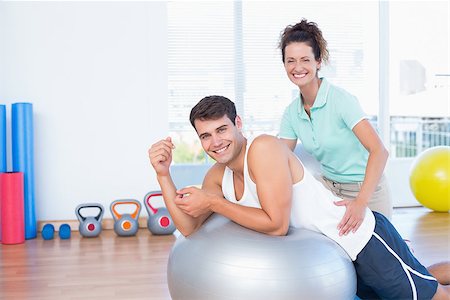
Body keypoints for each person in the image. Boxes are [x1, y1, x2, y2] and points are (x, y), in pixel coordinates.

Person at [149, 95, 449, 300]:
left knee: (431, 295)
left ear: (238, 124)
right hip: (328, 259)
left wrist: (213, 202)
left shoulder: (263, 149)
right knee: (416, 277)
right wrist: (163, 174)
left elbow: (277, 225)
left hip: (359, 241)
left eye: (222, 129)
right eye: (205, 136)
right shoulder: (217, 175)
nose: (215, 142)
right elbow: (188, 228)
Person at [278, 19, 393, 236]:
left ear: (318, 62)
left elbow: (380, 151)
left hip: (366, 191)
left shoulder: (341, 100)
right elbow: (279, 158)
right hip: (329, 189)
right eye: (290, 61)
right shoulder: (291, 113)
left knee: (381, 263)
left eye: (305, 59)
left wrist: (360, 202)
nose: (297, 67)